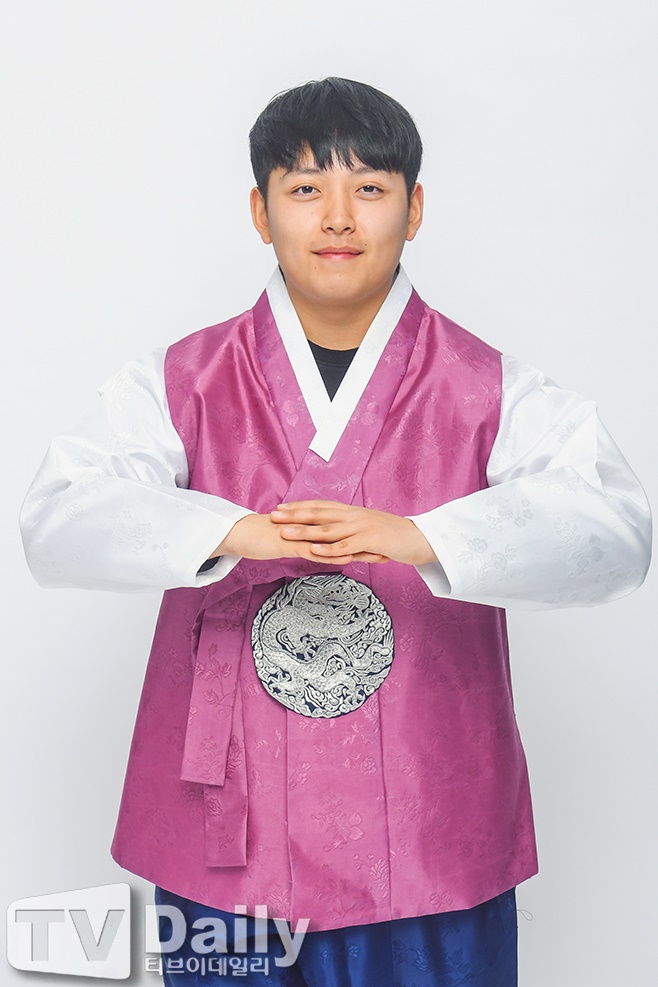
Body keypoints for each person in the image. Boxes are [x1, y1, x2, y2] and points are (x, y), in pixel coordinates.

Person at [20, 77, 651, 986]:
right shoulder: (183, 379)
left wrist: (422, 536)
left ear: (415, 207)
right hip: (229, 824)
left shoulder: (486, 386)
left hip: (429, 818)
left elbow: (615, 527)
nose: (339, 217)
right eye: (307, 188)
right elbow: (56, 514)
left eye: (371, 187)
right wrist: (234, 530)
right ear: (260, 210)